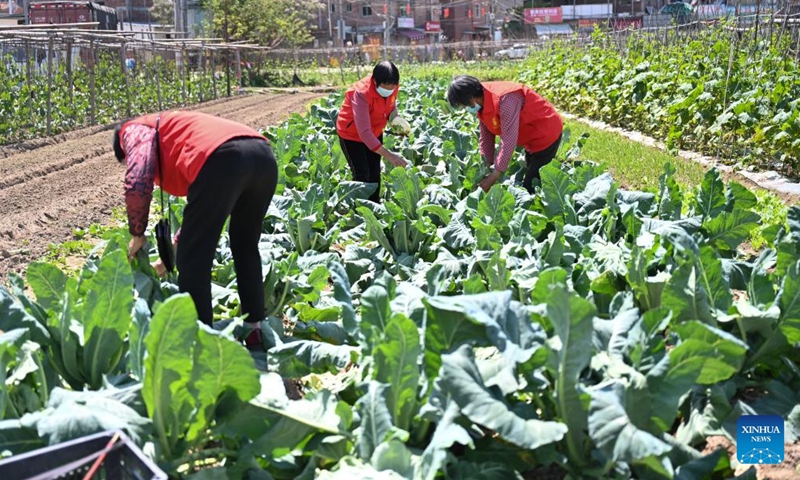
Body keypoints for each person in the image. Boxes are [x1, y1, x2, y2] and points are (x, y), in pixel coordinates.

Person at [113, 110, 277, 348]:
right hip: (262, 156)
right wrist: (169, 256)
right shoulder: (181, 134)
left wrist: (137, 234)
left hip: (224, 158)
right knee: (245, 245)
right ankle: (254, 331)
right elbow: (202, 211)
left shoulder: (133, 130)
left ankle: (200, 344)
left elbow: (138, 180)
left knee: (193, 262)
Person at [446, 75, 563, 193]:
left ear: (471, 99)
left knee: (531, 187)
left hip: (546, 133)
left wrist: (495, 175)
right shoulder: (482, 102)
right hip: (530, 139)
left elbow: (509, 139)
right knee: (532, 175)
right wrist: (486, 167)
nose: (464, 108)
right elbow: (486, 138)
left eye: (463, 105)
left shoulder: (505, 99)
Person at [336, 61, 409, 203]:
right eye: (385, 87)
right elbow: (364, 133)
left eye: (392, 87)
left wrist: (396, 122)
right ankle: (359, 213)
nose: (389, 90)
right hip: (351, 135)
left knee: (375, 173)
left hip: (374, 130)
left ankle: (374, 209)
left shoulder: (393, 87)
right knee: (362, 174)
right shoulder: (361, 93)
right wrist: (390, 155)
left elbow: (391, 106)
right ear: (375, 82)